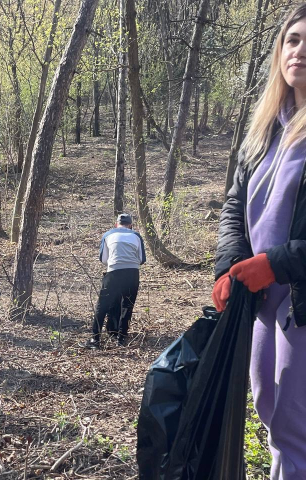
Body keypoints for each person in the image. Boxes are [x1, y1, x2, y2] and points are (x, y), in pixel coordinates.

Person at [213, 5, 306, 478]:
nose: (301, 50)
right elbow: (235, 205)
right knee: (271, 415)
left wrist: (279, 263)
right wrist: (229, 266)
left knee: (297, 429)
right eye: (293, 40)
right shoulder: (267, 127)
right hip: (263, 301)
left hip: (301, 301)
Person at [86, 213, 146, 350]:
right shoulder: (136, 236)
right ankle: (121, 339)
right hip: (132, 274)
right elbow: (142, 259)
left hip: (113, 272)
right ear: (130, 225)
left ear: (116, 224)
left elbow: (103, 259)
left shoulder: (108, 235)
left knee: (102, 305)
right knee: (127, 305)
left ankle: (95, 339)